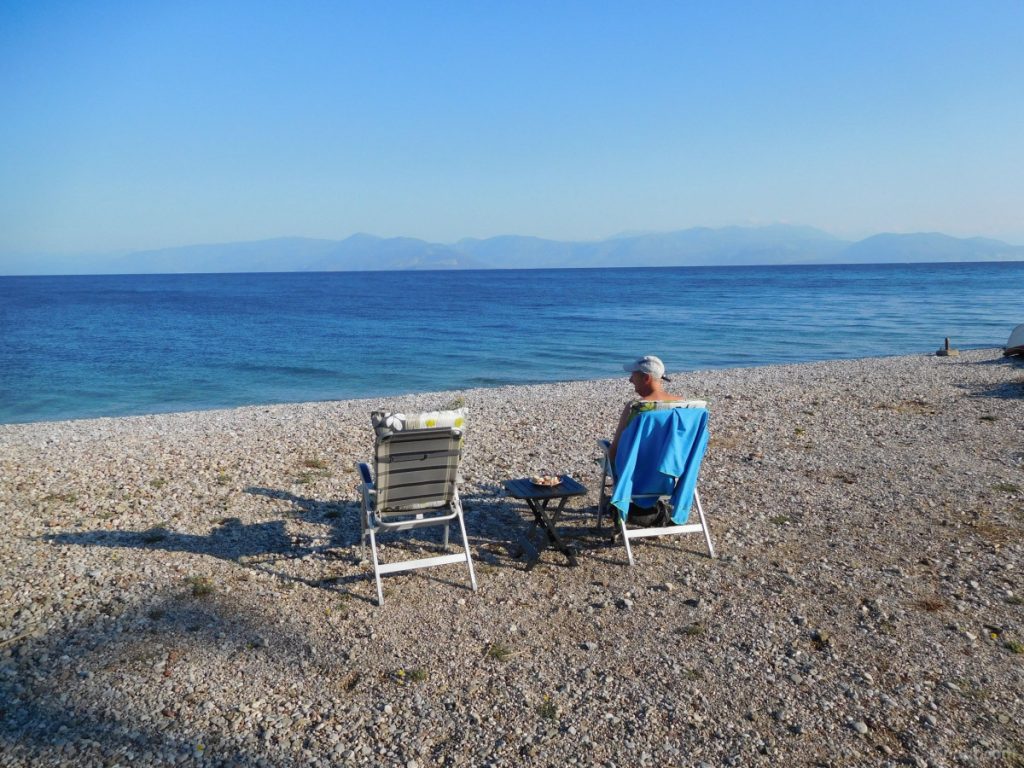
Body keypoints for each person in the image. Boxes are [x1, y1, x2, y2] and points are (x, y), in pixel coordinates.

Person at [609, 355, 683, 463]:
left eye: (633, 375)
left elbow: (614, 451)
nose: (630, 380)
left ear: (646, 378)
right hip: (673, 466)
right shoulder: (684, 405)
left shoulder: (635, 407)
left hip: (637, 470)